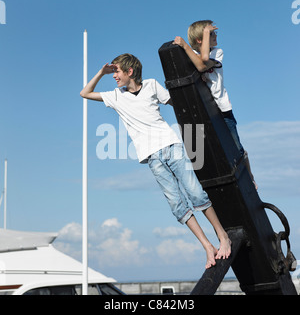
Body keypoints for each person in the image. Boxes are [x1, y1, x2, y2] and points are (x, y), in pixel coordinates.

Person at [80, 53, 231, 269]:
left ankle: (222, 236)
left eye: (116, 72)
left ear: (130, 72)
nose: (114, 76)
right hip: (152, 157)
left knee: (196, 193)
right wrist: (101, 73)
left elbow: (178, 103)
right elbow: (84, 93)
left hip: (172, 147)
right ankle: (207, 246)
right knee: (177, 206)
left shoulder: (151, 85)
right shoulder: (115, 96)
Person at [174, 20, 257, 189]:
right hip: (207, 110)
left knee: (237, 147)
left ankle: (250, 178)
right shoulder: (193, 56)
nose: (215, 35)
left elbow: (203, 62)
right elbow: (198, 61)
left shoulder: (217, 52)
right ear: (200, 39)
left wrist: (185, 45)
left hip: (222, 108)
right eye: (212, 33)